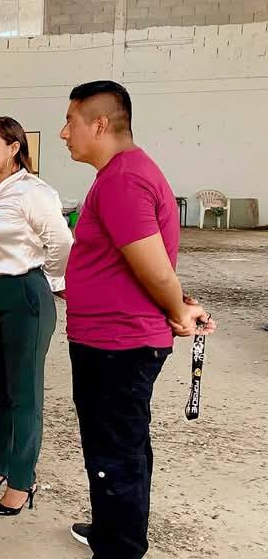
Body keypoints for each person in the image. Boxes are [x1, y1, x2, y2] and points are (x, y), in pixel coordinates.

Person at [60, 80, 216, 557]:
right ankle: (113, 531)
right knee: (118, 446)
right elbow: (140, 263)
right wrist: (178, 303)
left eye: (70, 122)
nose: (64, 133)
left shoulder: (123, 179)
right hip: (112, 338)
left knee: (115, 453)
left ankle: (120, 547)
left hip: (117, 344)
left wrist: (178, 310)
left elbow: (152, 266)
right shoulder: (122, 174)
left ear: (99, 124)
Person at [0, 117, 73, 516]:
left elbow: (61, 241)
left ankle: (23, 481)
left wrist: (53, 280)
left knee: (24, 394)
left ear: (14, 148)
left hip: (24, 293)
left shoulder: (32, 191)